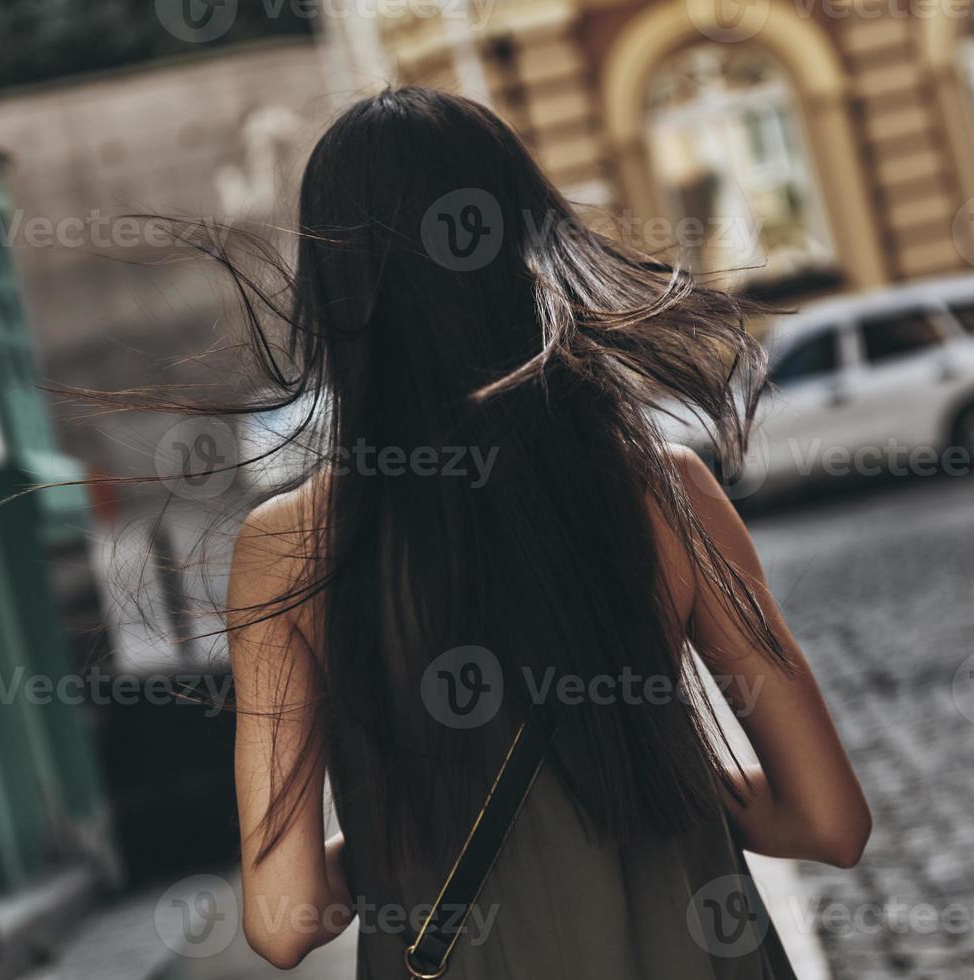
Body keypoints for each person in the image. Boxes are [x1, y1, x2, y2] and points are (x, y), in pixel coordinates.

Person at [223, 86, 869, 977]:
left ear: (338, 289)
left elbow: (282, 921)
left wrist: (386, 849)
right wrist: (654, 784)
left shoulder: (288, 551)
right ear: (527, 245)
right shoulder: (665, 492)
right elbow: (829, 821)